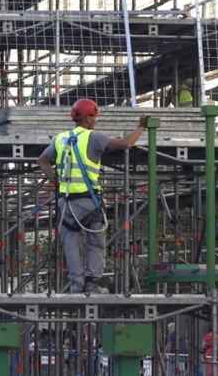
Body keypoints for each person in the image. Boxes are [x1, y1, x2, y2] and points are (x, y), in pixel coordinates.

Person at [36, 99, 147, 293]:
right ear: (87, 118)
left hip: (66, 203)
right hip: (88, 202)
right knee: (96, 242)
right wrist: (141, 127)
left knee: (71, 245)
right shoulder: (94, 138)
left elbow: (42, 160)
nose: (95, 121)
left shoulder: (60, 138)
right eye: (94, 117)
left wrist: (56, 180)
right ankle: (91, 283)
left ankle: (76, 286)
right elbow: (126, 144)